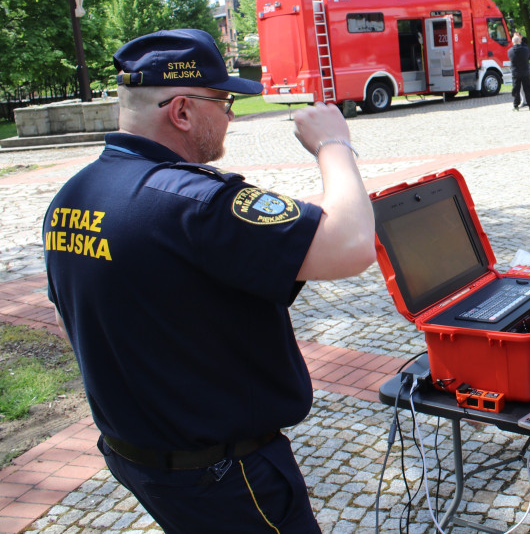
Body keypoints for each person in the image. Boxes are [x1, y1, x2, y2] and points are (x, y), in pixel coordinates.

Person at [43, 28, 376, 534]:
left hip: (142, 457)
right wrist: (333, 144)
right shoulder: (192, 202)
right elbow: (351, 245)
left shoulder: (75, 194)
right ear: (181, 111)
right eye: (222, 101)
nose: (231, 115)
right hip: (225, 475)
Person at [508, 32, 530, 111]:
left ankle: (516, 105)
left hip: (515, 72)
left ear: (513, 42)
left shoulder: (510, 51)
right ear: (519, 41)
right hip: (525, 71)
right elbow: (529, 57)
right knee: (527, 89)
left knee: (516, 89)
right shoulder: (525, 50)